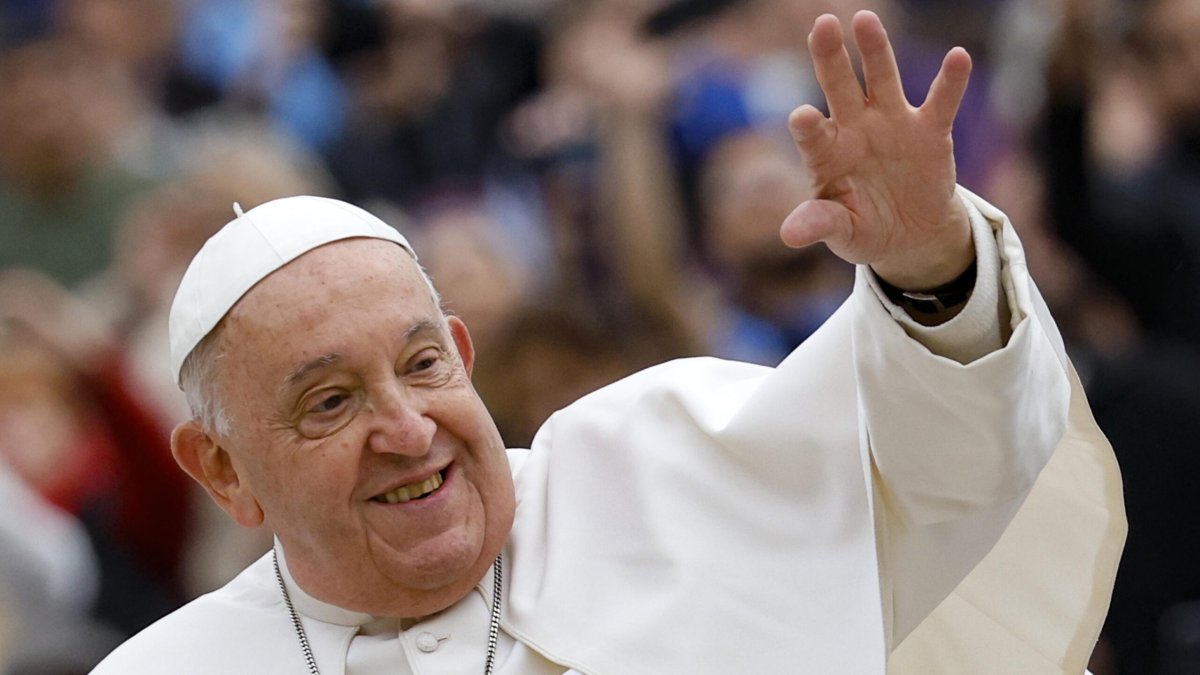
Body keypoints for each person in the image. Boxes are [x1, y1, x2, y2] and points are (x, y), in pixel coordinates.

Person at [90, 11, 1123, 674]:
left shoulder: (660, 457)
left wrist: (929, 266)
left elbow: (954, 467)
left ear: (462, 349)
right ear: (223, 471)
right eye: (330, 402)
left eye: (420, 366)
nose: (408, 431)